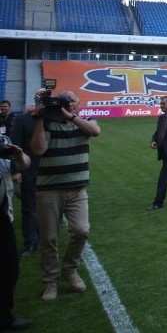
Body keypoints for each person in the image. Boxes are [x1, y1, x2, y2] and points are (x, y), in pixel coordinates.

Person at [30, 89, 101, 301]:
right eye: (65, 101)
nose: (69, 103)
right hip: (49, 189)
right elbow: (38, 149)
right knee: (49, 238)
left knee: (81, 231)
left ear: (79, 103)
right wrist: (41, 119)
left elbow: (95, 131)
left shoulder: (85, 121)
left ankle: (69, 270)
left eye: (72, 101)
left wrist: (70, 116)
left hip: (78, 189)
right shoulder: (49, 123)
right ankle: (50, 282)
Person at [1, 135, 32, 331]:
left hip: (4, 216)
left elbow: (24, 164)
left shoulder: (4, 140)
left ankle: (5, 316)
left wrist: (19, 156)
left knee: (9, 268)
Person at [8, 110, 37, 257]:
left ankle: (43, 236)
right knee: (29, 206)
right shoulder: (23, 120)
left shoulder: (52, 118)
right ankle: (30, 242)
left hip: (48, 170)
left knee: (46, 206)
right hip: (28, 170)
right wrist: (16, 170)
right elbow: (15, 147)